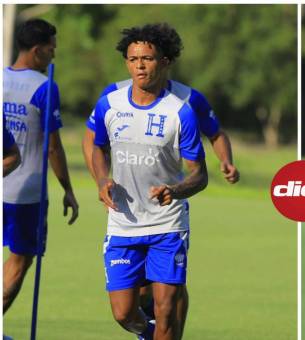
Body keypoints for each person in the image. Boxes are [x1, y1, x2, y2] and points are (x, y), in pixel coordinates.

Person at [81, 23, 240, 337]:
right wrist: (102, 182)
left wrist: (225, 162)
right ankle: (151, 331)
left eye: (148, 58)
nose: (139, 65)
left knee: (166, 302)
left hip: (167, 221)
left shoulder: (186, 104)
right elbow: (93, 143)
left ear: (165, 61)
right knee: (127, 310)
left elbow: (215, 136)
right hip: (124, 221)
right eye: (133, 58)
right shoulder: (111, 100)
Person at [3, 18, 79, 314]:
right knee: (20, 262)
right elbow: (53, 147)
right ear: (37, 50)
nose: (54, 55)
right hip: (27, 194)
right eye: (51, 49)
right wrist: (68, 190)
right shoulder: (45, 87)